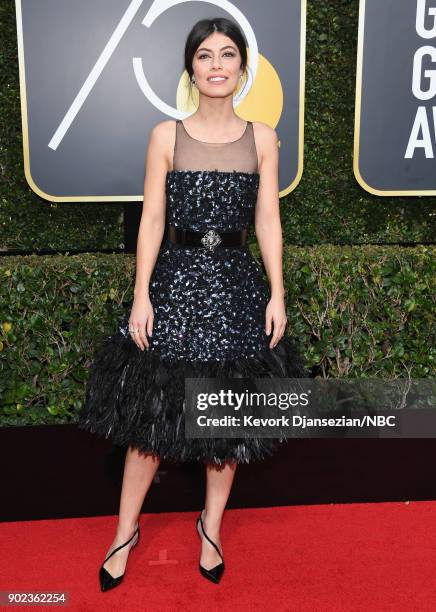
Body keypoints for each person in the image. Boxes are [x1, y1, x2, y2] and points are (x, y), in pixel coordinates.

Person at [77, 16, 308, 591]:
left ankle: (211, 526)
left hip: (235, 288)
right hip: (175, 286)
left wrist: (277, 293)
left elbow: (268, 220)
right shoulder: (165, 135)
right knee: (149, 422)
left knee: (223, 422)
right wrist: (141, 296)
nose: (216, 66)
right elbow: (152, 219)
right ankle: (124, 532)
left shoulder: (263, 138)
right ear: (191, 67)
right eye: (204, 56)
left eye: (226, 55)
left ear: (242, 67)